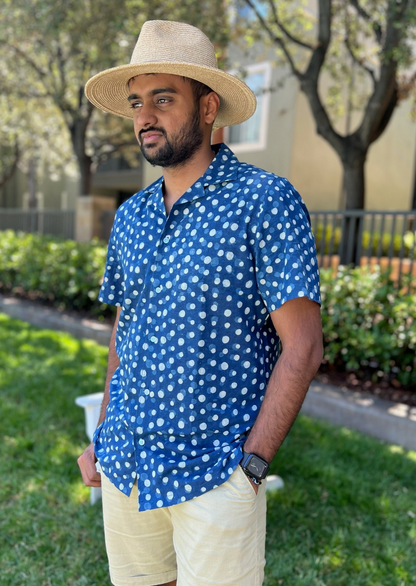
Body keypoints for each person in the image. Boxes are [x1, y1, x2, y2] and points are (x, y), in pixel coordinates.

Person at [77, 19, 323, 586]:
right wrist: (101, 435)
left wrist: (252, 467)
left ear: (208, 108)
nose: (145, 116)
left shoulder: (265, 201)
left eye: (163, 99)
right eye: (138, 102)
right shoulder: (132, 215)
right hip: (125, 460)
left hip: (215, 471)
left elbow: (303, 346)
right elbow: (126, 332)